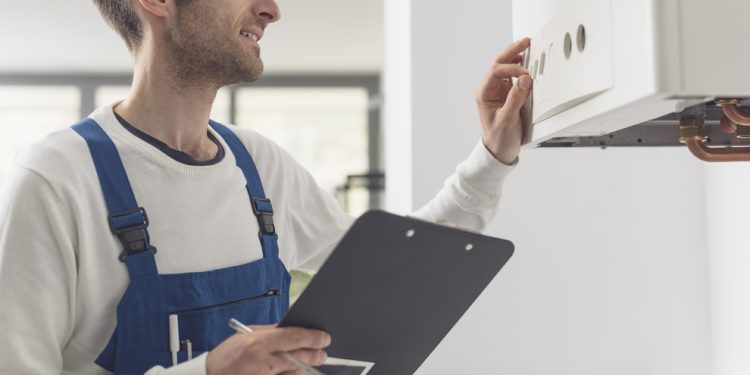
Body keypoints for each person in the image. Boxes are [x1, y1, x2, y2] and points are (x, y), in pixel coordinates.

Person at [0, 0, 532, 373]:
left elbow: (404, 263)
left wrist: (492, 155)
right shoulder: (57, 179)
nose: (273, 9)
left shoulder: (256, 164)